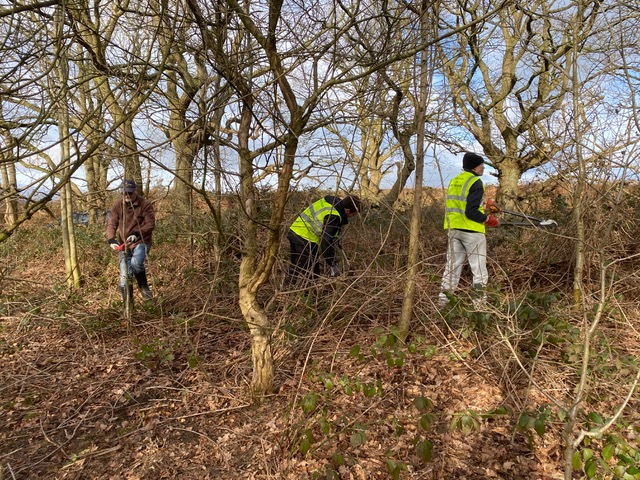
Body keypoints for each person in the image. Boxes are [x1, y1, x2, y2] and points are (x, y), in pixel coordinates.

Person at [438, 152, 500, 307]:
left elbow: (462, 202)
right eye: (481, 165)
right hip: (472, 232)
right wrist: (487, 219)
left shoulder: (455, 181)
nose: (483, 168)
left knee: (451, 269)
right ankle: (479, 307)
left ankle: (443, 305)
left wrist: (485, 205)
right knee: (479, 271)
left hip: (454, 230)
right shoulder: (476, 182)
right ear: (475, 166)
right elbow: (471, 211)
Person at [287, 194, 361, 285]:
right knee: (312, 273)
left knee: (297, 264)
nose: (351, 217)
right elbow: (326, 242)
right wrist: (333, 264)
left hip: (294, 231)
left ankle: (287, 288)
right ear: (348, 210)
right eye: (353, 215)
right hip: (306, 238)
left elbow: (328, 235)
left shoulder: (330, 202)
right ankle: (309, 297)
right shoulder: (334, 215)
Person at [107, 179, 156, 303]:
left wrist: (137, 233)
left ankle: (144, 289)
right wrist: (111, 239)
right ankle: (128, 306)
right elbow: (112, 223)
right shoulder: (118, 205)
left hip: (141, 241)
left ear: (135, 191)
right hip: (124, 244)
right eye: (124, 193)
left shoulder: (144, 204)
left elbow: (150, 224)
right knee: (124, 276)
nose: (127, 196)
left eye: (129, 193)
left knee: (135, 262)